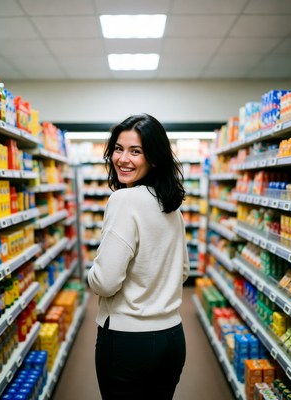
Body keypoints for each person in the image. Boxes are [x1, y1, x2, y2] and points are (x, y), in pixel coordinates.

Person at [87, 113, 190, 400]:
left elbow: (105, 282)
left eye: (136, 151)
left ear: (154, 158)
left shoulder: (124, 199)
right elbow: (182, 272)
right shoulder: (172, 207)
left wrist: (90, 274)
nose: (123, 159)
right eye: (118, 149)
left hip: (127, 340)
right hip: (172, 336)